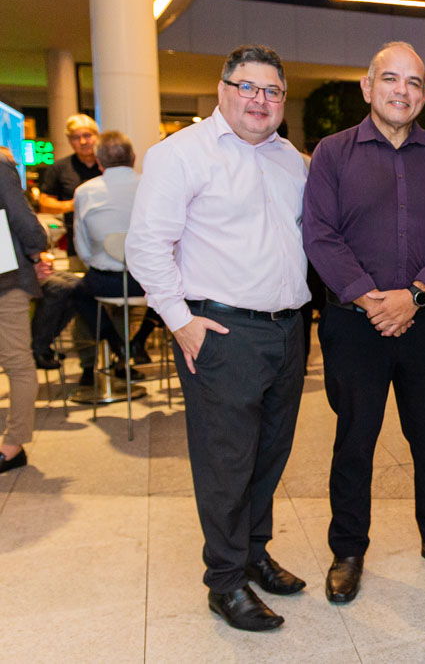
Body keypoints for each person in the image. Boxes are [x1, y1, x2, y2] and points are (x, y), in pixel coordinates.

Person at [127, 44, 310, 632]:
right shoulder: (180, 153)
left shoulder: (292, 160)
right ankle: (226, 582)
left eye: (273, 91)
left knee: (270, 455)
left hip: (288, 330)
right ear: (222, 89)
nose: (260, 100)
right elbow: (145, 245)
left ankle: (254, 553)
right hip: (223, 332)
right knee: (226, 463)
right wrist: (180, 321)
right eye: (247, 87)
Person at [303, 41, 425, 602]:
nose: (403, 91)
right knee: (355, 440)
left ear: (424, 94)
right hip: (355, 326)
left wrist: (416, 295)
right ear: (368, 86)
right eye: (391, 79)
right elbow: (319, 233)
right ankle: (348, 549)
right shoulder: (332, 153)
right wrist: (371, 299)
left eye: (414, 82)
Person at [71, 131, 162, 379]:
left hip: (106, 283)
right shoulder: (154, 185)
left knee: (78, 292)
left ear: (99, 161)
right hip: (149, 282)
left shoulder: (84, 192)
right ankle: (139, 339)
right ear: (133, 158)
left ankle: (116, 343)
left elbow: (82, 245)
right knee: (175, 288)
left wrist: (98, 262)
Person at [0, 146, 52, 473]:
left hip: (5, 278)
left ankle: (13, 445)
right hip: (6, 275)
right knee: (16, 360)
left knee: (16, 361)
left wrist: (35, 254)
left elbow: (23, 221)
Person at [38, 114, 102, 262]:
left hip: (110, 238)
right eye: (76, 137)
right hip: (77, 242)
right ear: (69, 140)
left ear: (97, 136)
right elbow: (44, 203)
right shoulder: (59, 168)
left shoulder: (108, 164)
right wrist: (74, 204)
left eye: (87, 135)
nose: (83, 142)